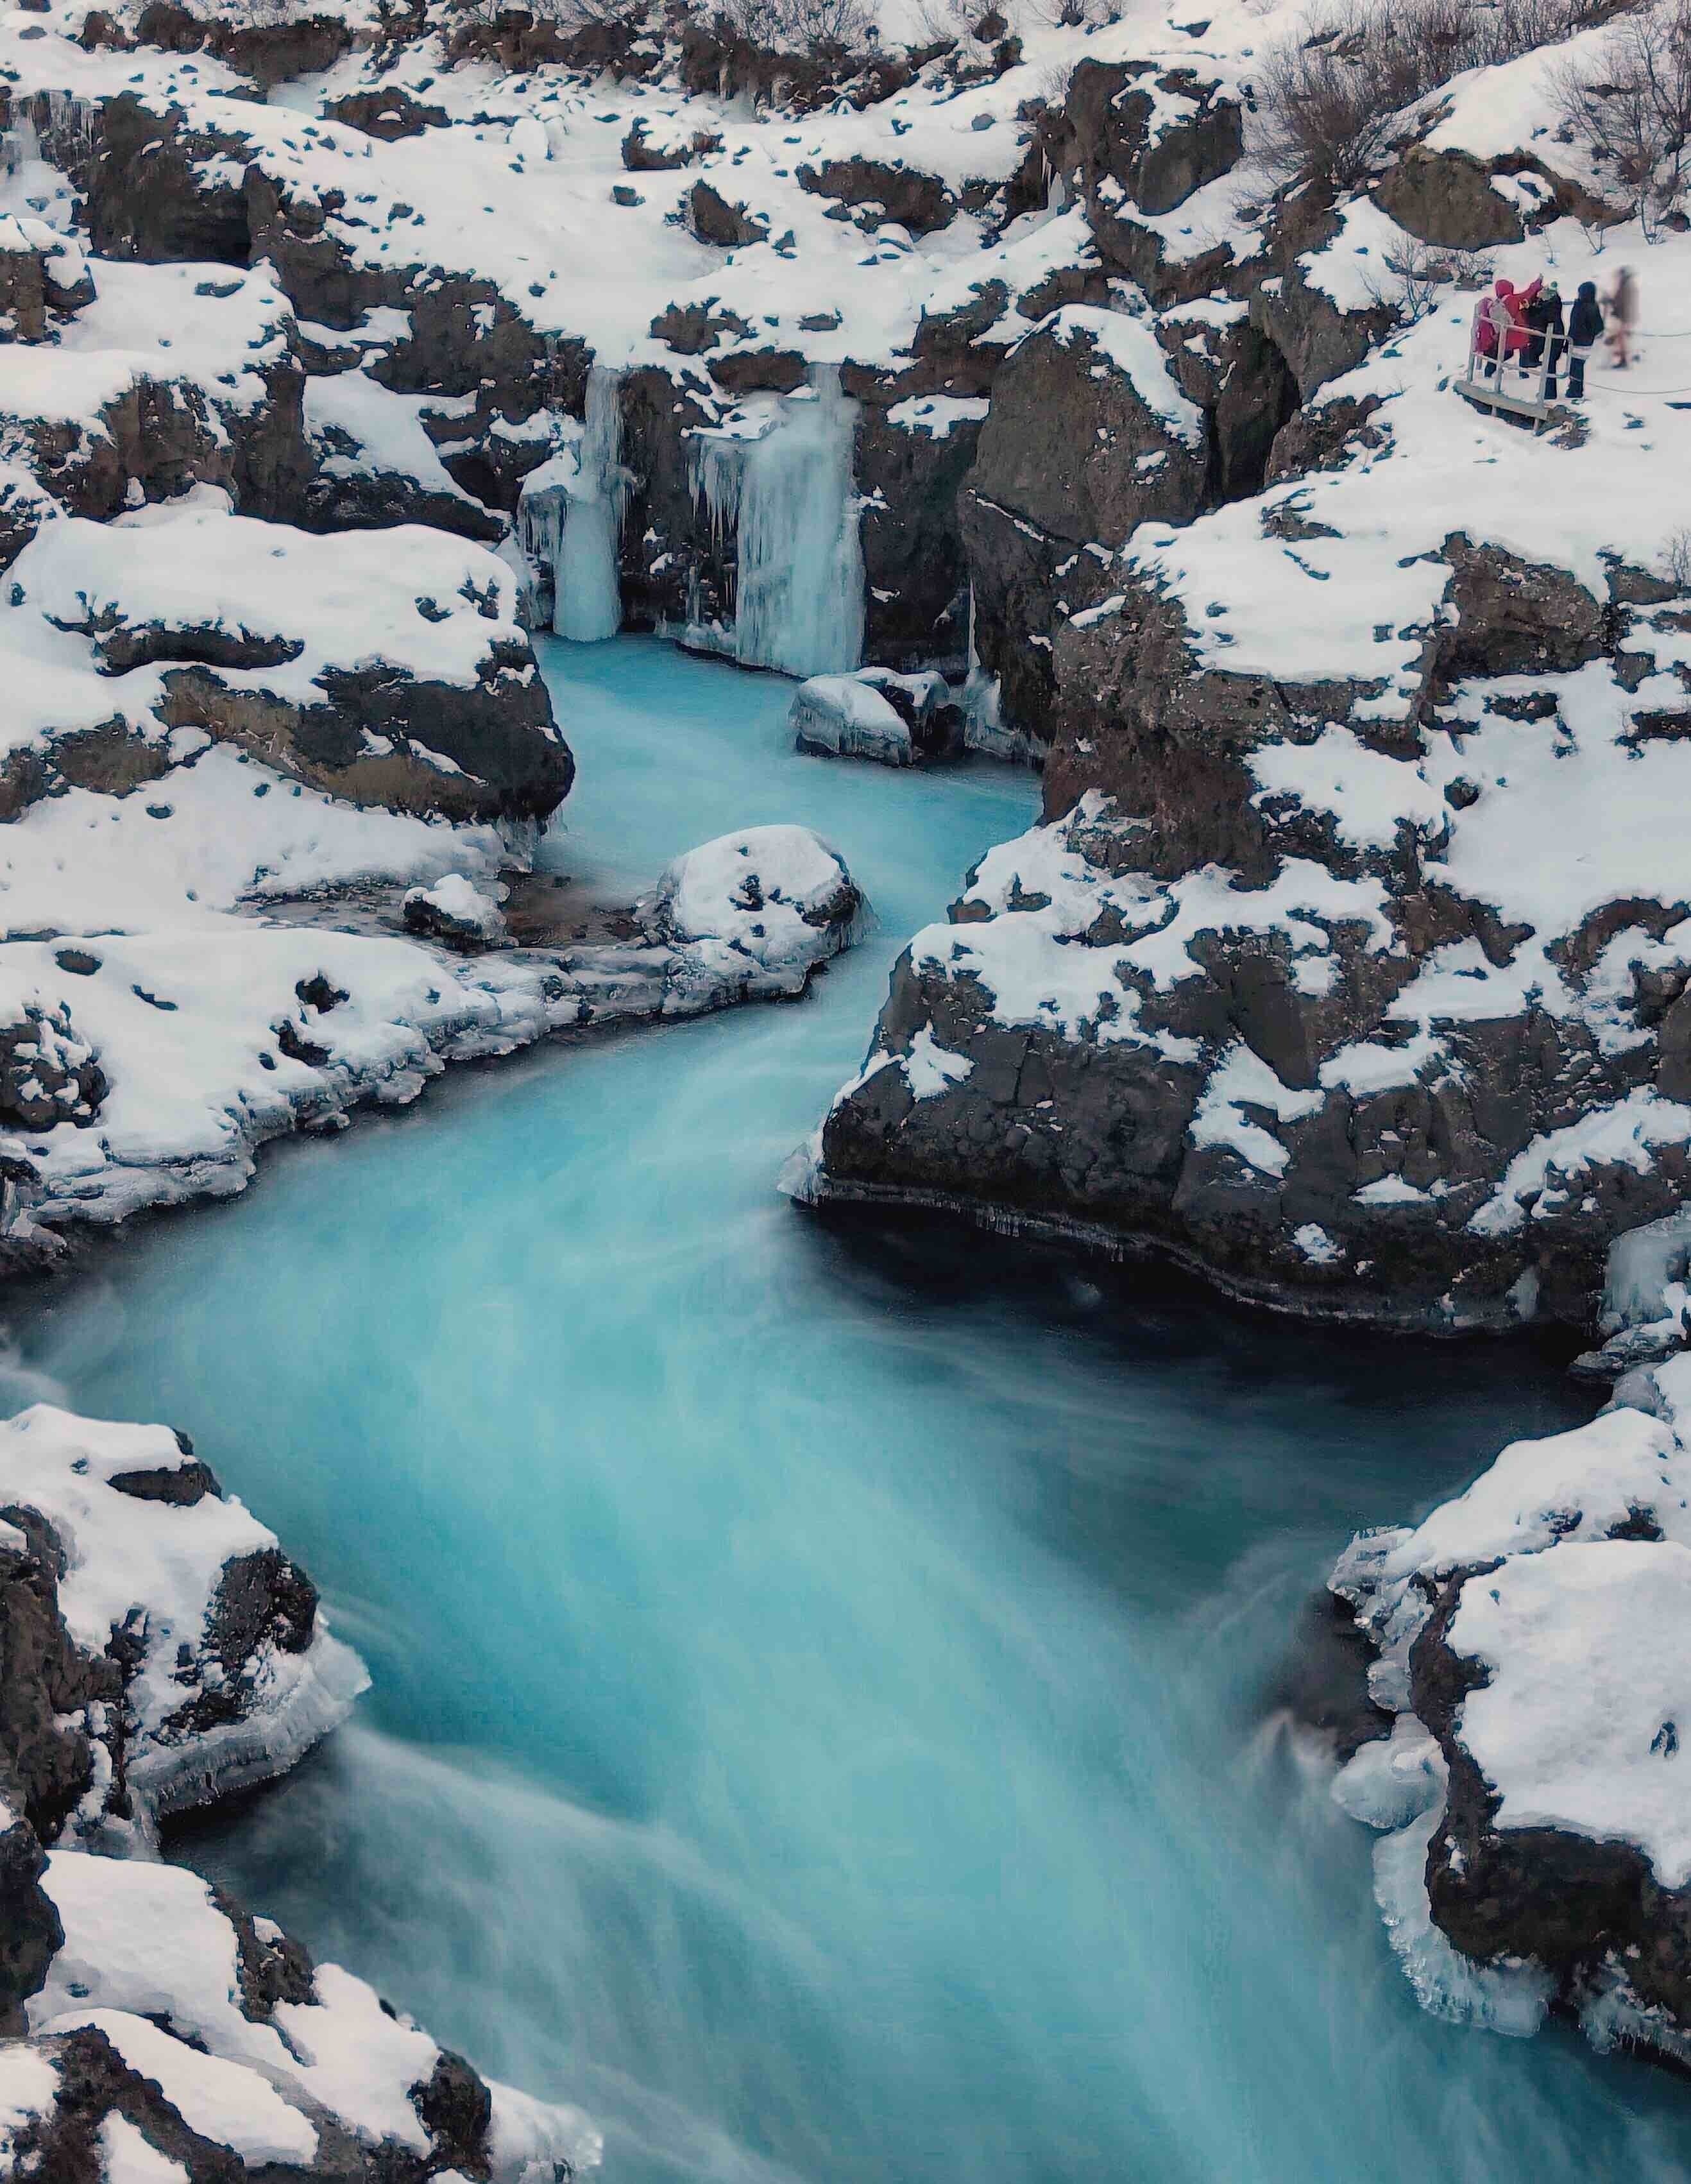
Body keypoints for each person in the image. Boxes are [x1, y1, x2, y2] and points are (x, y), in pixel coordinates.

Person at [1524, 280, 1565, 397]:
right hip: (1552, 337)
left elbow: (1540, 318)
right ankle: (1548, 392)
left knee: (1550, 364)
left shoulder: (1552, 306)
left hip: (1554, 338)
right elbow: (1540, 313)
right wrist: (1531, 308)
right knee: (1549, 364)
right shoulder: (1551, 303)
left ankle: (1549, 393)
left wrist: (1530, 309)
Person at [1567, 279, 1603, 399]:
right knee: (1579, 366)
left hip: (1577, 342)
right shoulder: (1594, 305)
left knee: (1575, 366)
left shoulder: (1581, 306)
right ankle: (1576, 389)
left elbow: (1576, 325)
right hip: (1587, 342)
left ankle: (1575, 391)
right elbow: (1599, 327)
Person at [1605, 265, 1638, 368]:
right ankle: (1622, 354)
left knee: (1621, 337)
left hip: (1625, 316)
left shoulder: (1625, 285)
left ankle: (1624, 359)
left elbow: (1621, 300)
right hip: (1626, 315)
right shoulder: (1628, 284)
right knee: (1621, 336)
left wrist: (1614, 304)